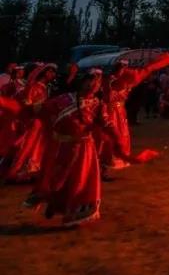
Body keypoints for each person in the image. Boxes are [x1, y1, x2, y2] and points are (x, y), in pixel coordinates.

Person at [20, 68, 157, 226]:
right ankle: (55, 203)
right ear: (82, 82)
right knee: (57, 180)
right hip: (61, 148)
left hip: (84, 149)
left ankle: (74, 213)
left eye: (97, 82)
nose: (93, 85)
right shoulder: (63, 99)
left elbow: (107, 124)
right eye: (91, 81)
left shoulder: (98, 105)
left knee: (79, 182)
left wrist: (117, 139)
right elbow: (39, 110)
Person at [1, 64, 56, 182]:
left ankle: (31, 171)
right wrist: (40, 107)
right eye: (50, 72)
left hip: (40, 123)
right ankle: (18, 172)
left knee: (37, 147)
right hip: (32, 122)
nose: (52, 74)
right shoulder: (33, 87)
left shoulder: (44, 87)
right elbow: (27, 104)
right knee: (26, 147)